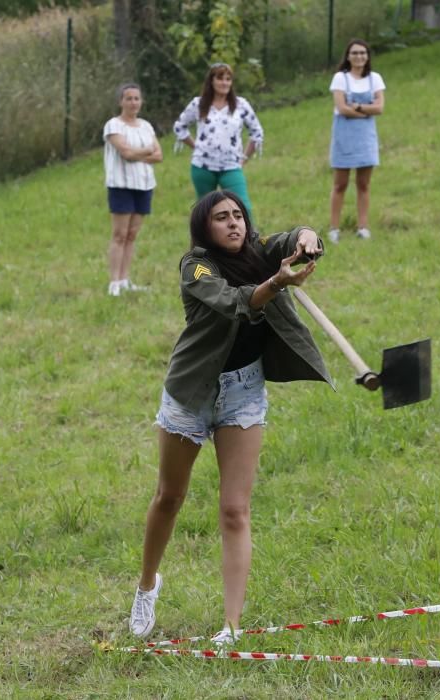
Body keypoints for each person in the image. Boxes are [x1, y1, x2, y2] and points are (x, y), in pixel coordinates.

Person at [129, 190, 335, 645]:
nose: (233, 223)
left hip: (243, 392)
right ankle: (147, 585)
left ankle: (231, 626)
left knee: (235, 510)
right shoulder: (195, 267)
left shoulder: (261, 253)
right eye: (221, 218)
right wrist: (277, 284)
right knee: (169, 497)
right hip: (192, 392)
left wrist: (307, 239)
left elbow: (292, 238)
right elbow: (233, 302)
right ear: (205, 229)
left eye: (238, 215)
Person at [173, 63, 264, 223]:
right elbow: (180, 126)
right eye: (220, 78)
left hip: (231, 166)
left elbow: (256, 132)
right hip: (203, 167)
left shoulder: (241, 105)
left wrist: (244, 158)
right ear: (212, 81)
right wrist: (196, 147)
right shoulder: (199, 104)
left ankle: (250, 244)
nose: (224, 83)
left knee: (242, 207)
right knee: (204, 211)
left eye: (228, 79)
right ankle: (204, 245)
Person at [103, 83, 163, 297]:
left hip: (144, 185)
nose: (133, 103)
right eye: (128, 98)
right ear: (121, 101)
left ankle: (126, 279)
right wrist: (146, 150)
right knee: (119, 234)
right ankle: (114, 282)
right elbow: (125, 153)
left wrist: (142, 152)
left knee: (131, 235)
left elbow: (159, 156)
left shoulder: (146, 126)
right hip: (121, 186)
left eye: (136, 98)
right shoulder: (113, 126)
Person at [328, 39, 385, 244]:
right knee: (340, 184)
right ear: (348, 56)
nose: (359, 56)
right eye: (355, 53)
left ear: (367, 56)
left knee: (363, 184)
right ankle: (334, 228)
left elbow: (379, 107)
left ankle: (362, 226)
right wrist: (366, 108)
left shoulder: (375, 79)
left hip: (366, 139)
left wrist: (358, 108)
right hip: (344, 138)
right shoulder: (340, 78)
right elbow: (342, 107)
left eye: (363, 53)